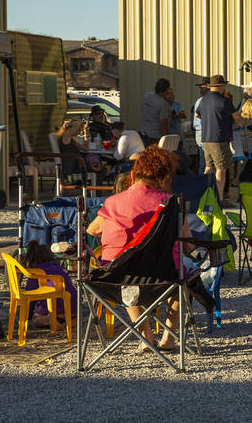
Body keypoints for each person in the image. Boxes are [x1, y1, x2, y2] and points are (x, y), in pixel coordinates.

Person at [85, 147, 186, 351]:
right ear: (162, 177)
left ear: (133, 174)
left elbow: (92, 230)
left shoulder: (112, 203)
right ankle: (168, 338)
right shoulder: (170, 204)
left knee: (128, 266)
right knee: (185, 274)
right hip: (164, 279)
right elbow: (189, 243)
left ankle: (145, 336)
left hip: (115, 280)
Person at [195, 74, 241, 201]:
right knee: (221, 168)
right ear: (221, 86)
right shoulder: (224, 100)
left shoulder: (203, 100)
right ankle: (219, 198)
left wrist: (209, 120)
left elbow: (197, 114)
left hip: (205, 138)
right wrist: (234, 125)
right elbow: (237, 117)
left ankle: (203, 196)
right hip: (219, 138)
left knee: (209, 167)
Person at [140, 78, 173, 146]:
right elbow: (163, 123)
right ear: (166, 90)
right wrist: (166, 139)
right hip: (156, 137)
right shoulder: (164, 104)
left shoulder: (147, 95)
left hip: (144, 133)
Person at [192, 81, 208, 173]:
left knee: (205, 161)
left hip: (201, 131)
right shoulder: (202, 101)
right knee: (204, 161)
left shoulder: (201, 100)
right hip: (202, 131)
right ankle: (203, 183)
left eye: (202, 87)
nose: (201, 89)